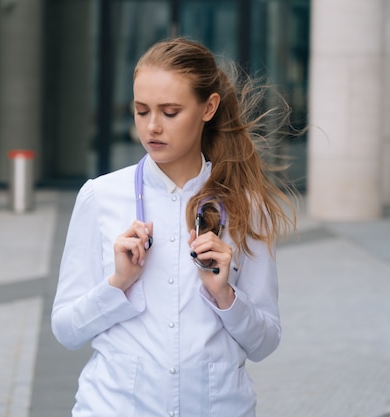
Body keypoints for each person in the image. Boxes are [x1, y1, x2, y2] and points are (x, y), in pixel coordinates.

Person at [51, 36, 297, 417]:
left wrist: (225, 295)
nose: (152, 127)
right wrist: (118, 284)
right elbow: (66, 330)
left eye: (170, 112)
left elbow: (264, 343)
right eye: (140, 110)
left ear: (208, 108)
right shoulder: (99, 198)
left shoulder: (246, 206)